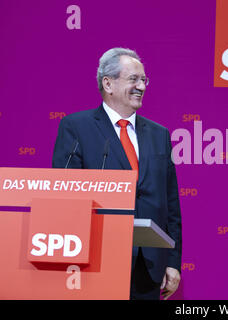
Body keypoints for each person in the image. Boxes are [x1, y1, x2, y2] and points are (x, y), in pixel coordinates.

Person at [52, 48, 182, 300]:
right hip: (95, 261)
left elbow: (171, 204)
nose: (141, 86)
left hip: (148, 266)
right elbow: (64, 196)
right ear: (108, 84)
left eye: (144, 80)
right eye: (133, 79)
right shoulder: (76, 127)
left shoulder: (159, 135)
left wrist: (173, 261)